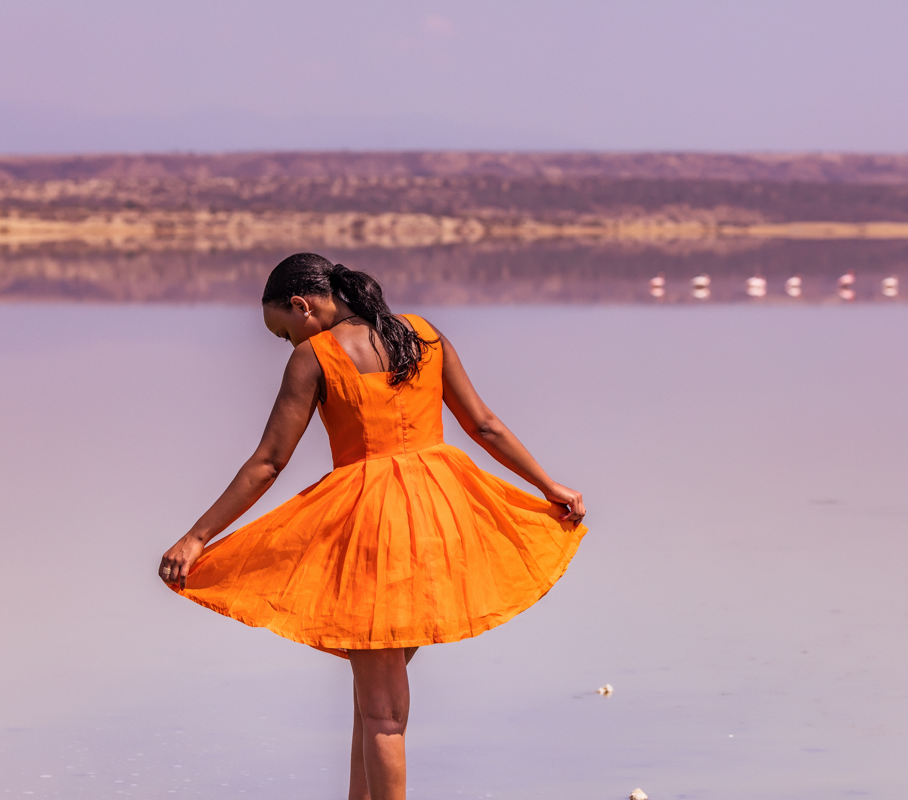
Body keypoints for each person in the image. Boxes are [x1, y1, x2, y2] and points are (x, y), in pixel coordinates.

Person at [158, 253, 587, 800]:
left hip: (373, 529)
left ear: (302, 306)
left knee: (384, 710)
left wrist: (197, 536)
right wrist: (548, 485)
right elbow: (483, 424)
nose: (287, 343)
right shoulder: (424, 335)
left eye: (284, 331)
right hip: (442, 519)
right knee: (373, 697)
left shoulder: (315, 357)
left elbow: (269, 462)